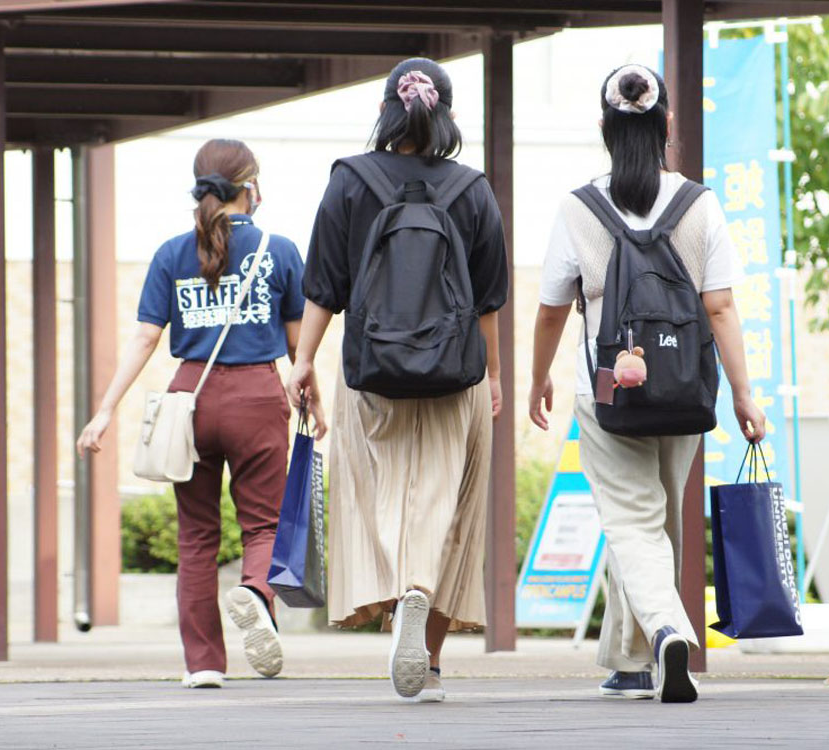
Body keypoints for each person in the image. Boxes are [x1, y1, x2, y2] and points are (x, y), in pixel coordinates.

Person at [528, 64, 767, 703]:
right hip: (684, 385)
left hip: (607, 389)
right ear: (666, 126)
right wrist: (743, 393)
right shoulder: (700, 204)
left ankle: (665, 631)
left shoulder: (579, 208)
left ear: (603, 128)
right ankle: (631, 662)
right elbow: (721, 307)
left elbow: (551, 309)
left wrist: (537, 379)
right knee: (656, 519)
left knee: (631, 521)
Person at [286, 57, 508, 703]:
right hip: (455, 373)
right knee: (449, 505)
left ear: (384, 111)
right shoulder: (473, 189)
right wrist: (494, 374)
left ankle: (398, 589)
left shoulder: (349, 181)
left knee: (374, 493)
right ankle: (429, 655)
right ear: (449, 115)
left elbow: (324, 285)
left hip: (370, 373)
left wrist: (303, 360)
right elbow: (489, 299)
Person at [76, 138, 309, 689]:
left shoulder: (172, 253)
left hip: (190, 399)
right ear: (250, 187)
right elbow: (298, 346)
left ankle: (203, 664)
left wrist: (105, 411)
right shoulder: (279, 250)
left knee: (196, 536)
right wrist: (314, 397)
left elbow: (145, 338)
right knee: (264, 524)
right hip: (257, 396)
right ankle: (256, 593)